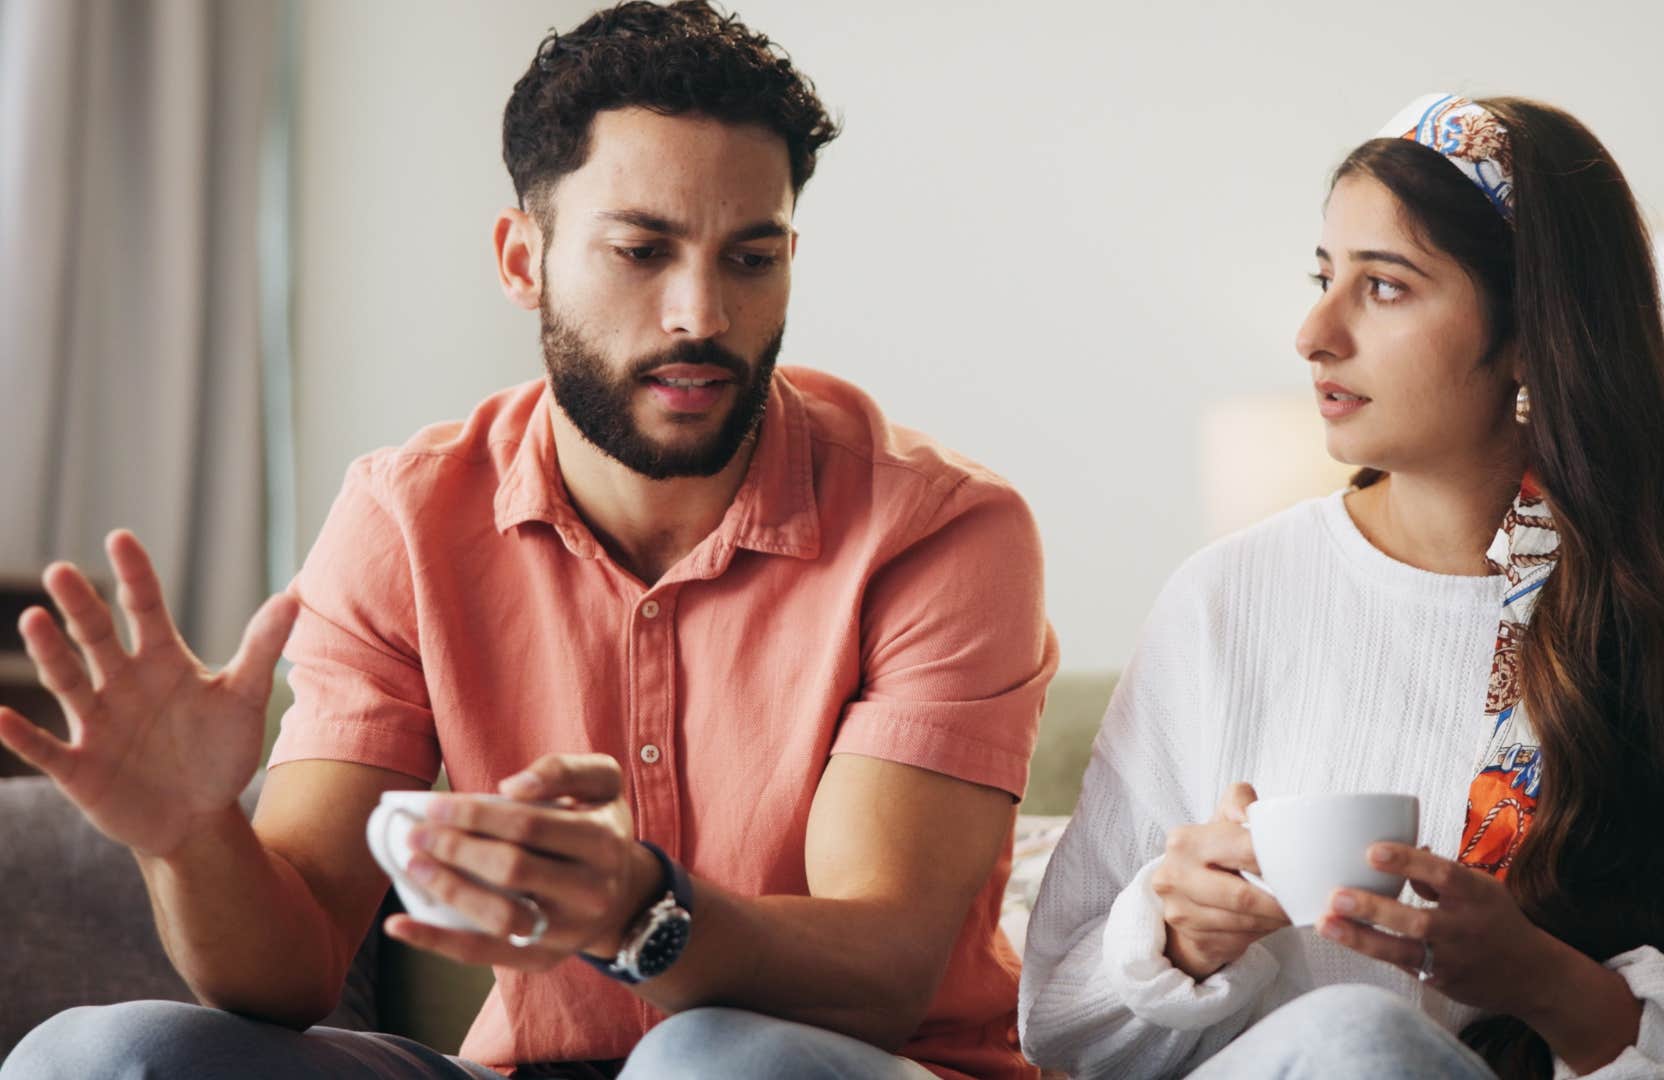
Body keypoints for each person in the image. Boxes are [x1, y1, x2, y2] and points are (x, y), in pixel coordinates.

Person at [0, 4, 1055, 1078]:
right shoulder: (406, 517)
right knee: (100, 1055)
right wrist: (191, 838)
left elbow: (882, 975)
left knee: (714, 1062)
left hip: (831, 1068)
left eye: (752, 257)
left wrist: (639, 907)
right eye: (643, 250)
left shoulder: (941, 530)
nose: (701, 313)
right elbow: (294, 968)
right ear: (522, 259)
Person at [1017, 93, 1664, 1079]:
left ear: (1531, 336)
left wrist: (1549, 988)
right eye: (1322, 275)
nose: (1313, 332)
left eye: (1384, 287)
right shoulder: (1228, 598)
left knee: (1368, 1040)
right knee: (1353, 1037)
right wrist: (1173, 936)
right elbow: (1058, 1027)